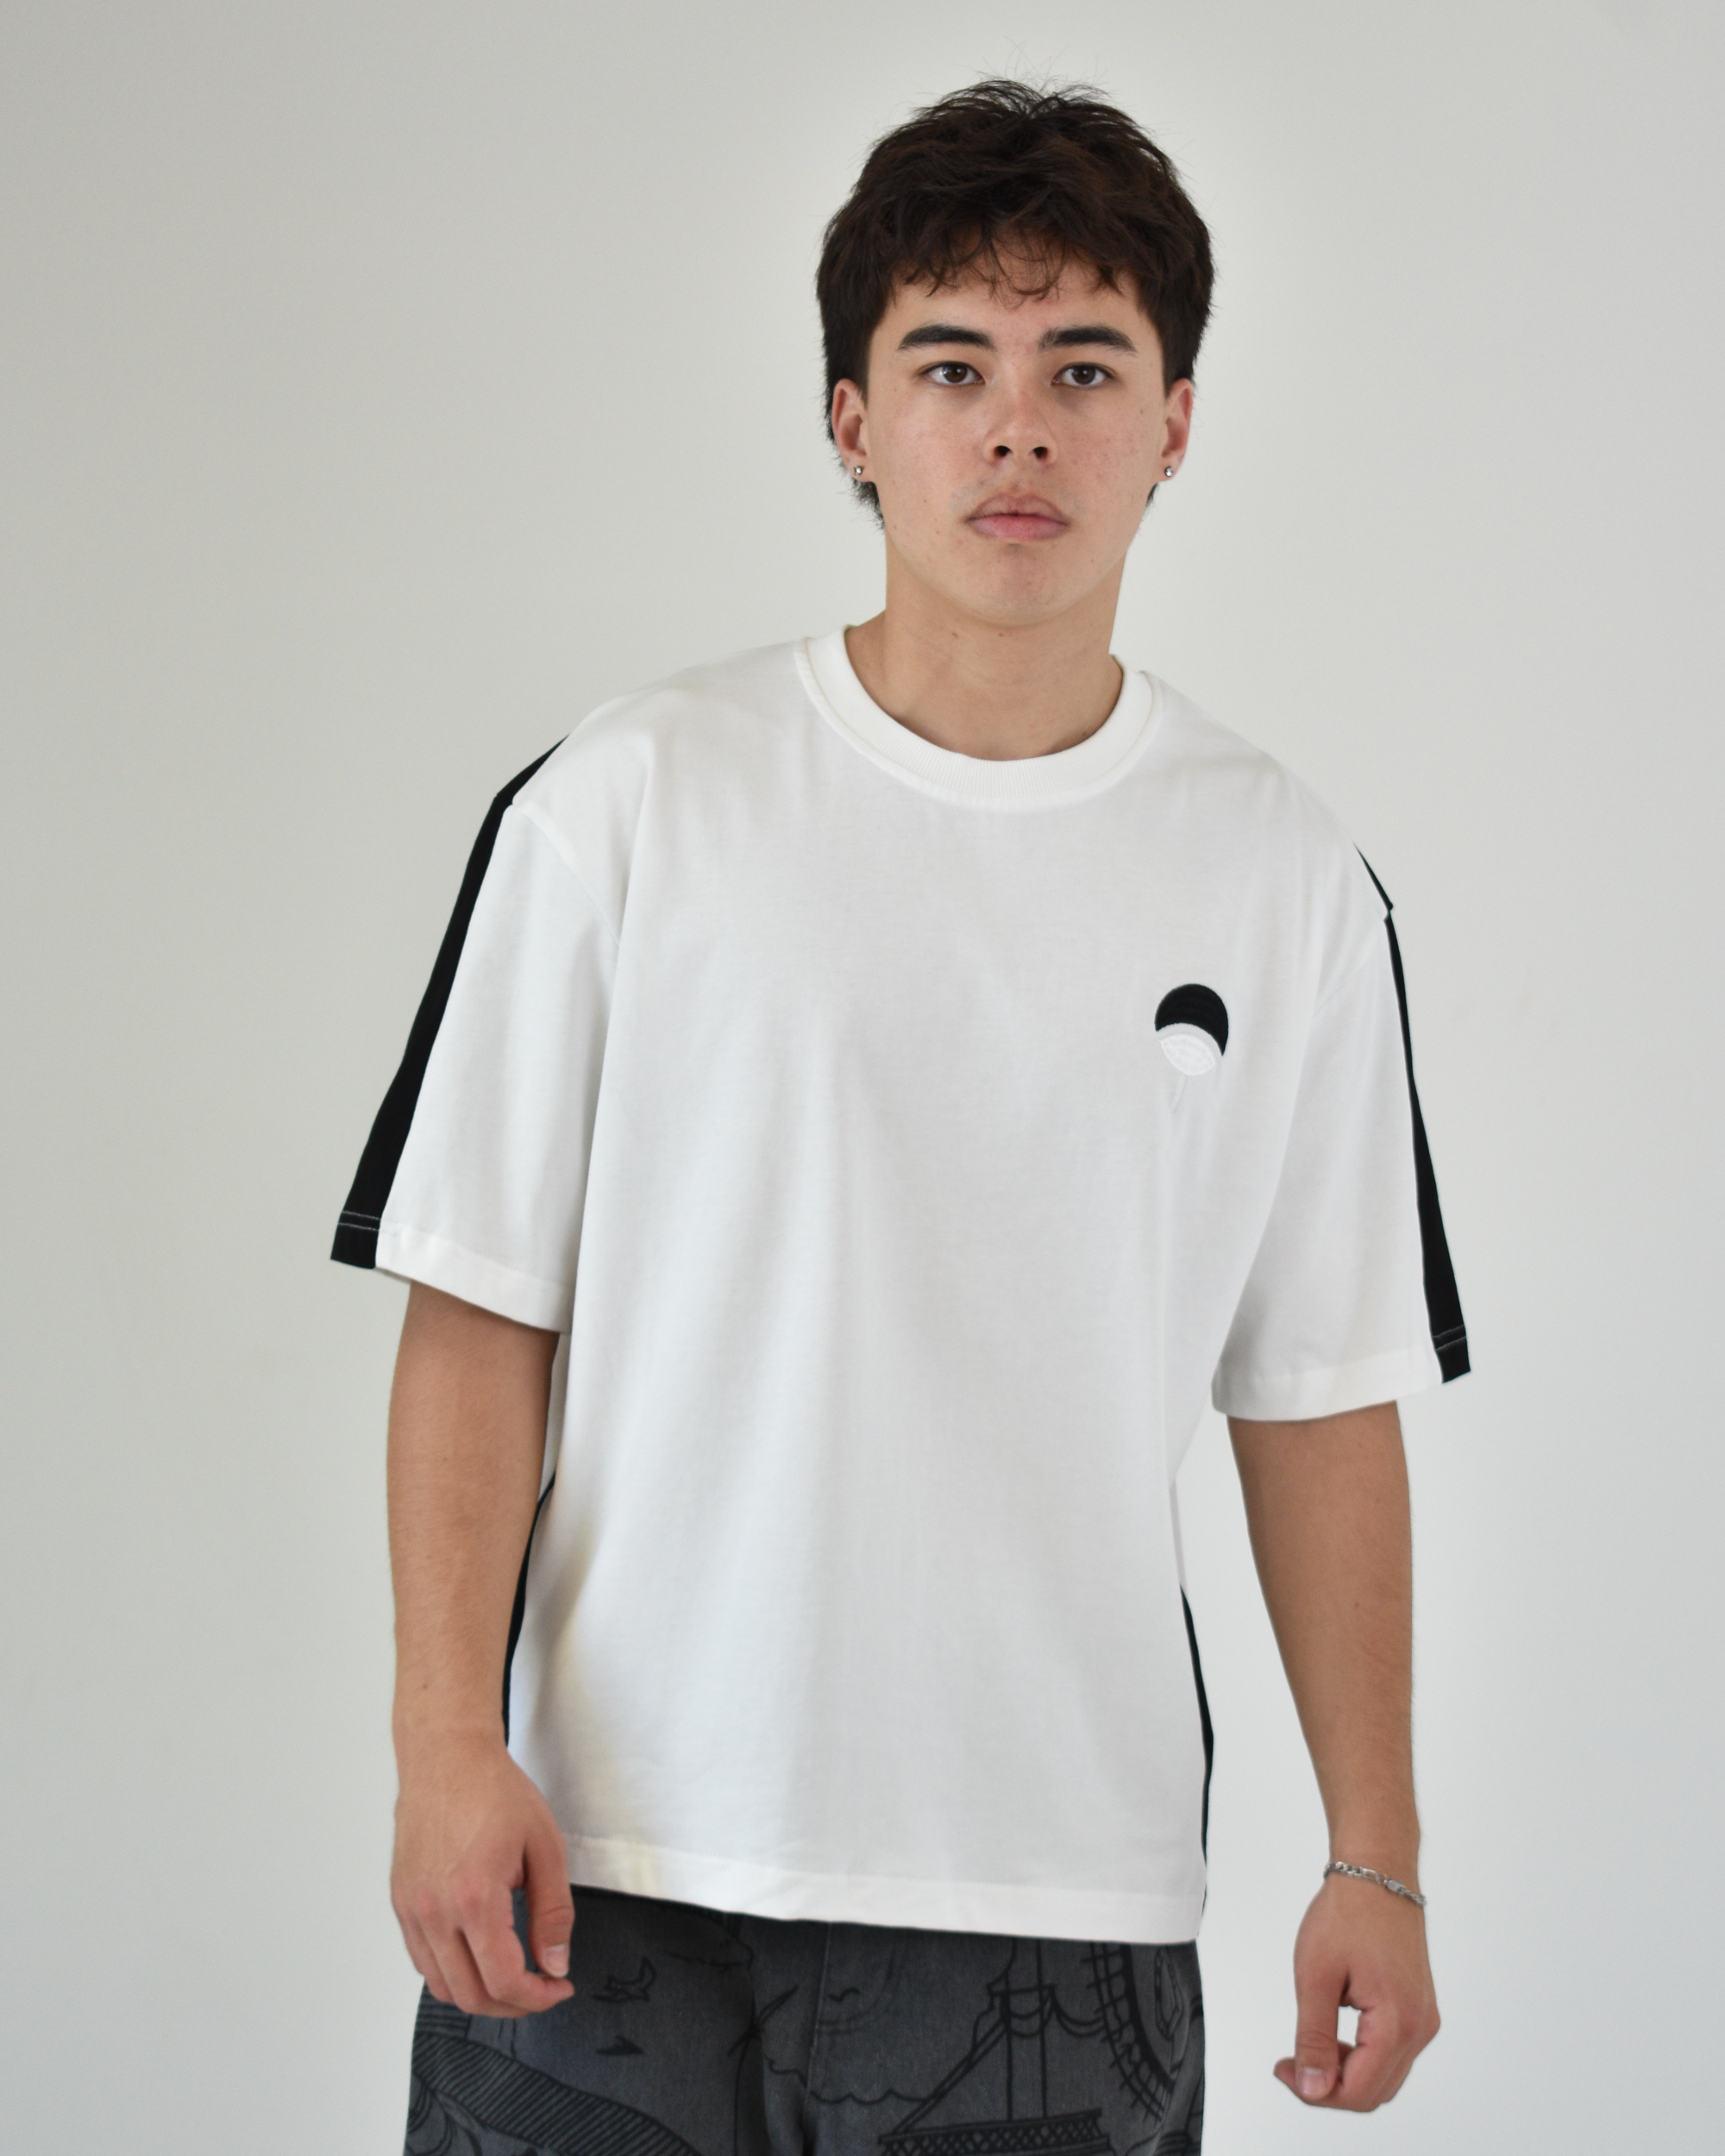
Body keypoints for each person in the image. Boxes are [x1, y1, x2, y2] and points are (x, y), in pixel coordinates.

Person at [333, 78, 1466, 2156]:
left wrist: (1370, 1850)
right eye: (952, 365)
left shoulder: (1285, 877)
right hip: (615, 1862)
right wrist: (437, 1747)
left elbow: (1318, 1396)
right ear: (852, 417)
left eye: (1082, 367)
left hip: (1057, 1903)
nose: (1016, 428)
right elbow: (480, 1309)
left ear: (1174, 422)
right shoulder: (627, 801)